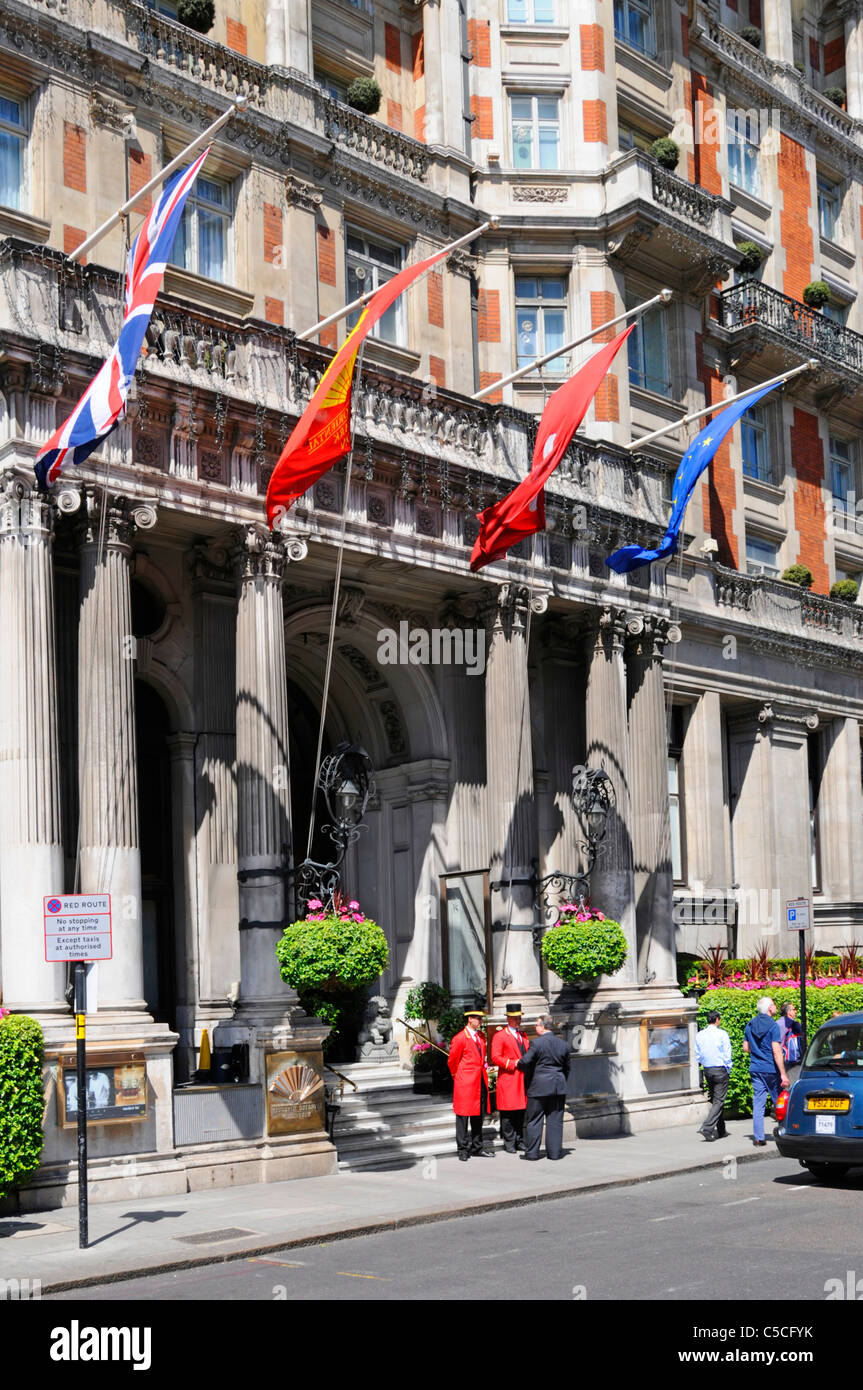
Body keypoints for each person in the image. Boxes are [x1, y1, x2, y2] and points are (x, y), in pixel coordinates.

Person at [516, 1013, 570, 1161]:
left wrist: (518, 1065)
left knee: (534, 1120)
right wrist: (560, 1080)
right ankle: (554, 1153)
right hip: (558, 1086)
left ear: (543, 1027)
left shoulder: (537, 1043)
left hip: (539, 1087)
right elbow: (567, 1068)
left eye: (537, 1024)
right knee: (555, 1121)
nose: (535, 1027)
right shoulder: (563, 1044)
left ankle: (532, 1153)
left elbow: (525, 1061)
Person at [743, 997, 790, 1147]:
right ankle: (786, 1132)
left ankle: (758, 1138)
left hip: (756, 1068)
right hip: (770, 1069)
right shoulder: (773, 1026)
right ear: (770, 1008)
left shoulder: (750, 1025)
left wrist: (757, 1053)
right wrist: (783, 1073)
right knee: (779, 1101)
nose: (776, 1007)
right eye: (774, 1005)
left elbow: (746, 1048)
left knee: (758, 1103)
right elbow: (777, 1051)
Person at [448, 1008, 493, 1161]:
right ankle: (462, 1149)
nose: (480, 1022)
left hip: (479, 1080)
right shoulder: (460, 1038)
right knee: (462, 1116)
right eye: (478, 1019)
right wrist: (458, 1076)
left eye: (481, 1019)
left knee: (478, 1116)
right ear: (470, 1020)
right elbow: (452, 1061)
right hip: (465, 1082)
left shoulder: (481, 1036)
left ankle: (477, 1147)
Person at [490, 1003, 529, 1153]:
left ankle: (519, 1139)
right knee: (508, 1113)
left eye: (519, 1018)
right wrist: (512, 1063)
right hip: (509, 1078)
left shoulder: (523, 1035)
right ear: (508, 1019)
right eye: (515, 1018)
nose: (518, 1020)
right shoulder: (500, 1036)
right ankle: (509, 1141)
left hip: (521, 1079)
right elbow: (495, 1057)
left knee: (520, 1112)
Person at [694, 1009, 732, 1142]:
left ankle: (721, 1129)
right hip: (720, 1069)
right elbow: (727, 1054)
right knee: (719, 1100)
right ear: (717, 1020)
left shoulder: (700, 1035)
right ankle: (707, 1127)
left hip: (707, 1069)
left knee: (716, 1099)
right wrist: (728, 1067)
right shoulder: (722, 1034)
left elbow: (697, 1054)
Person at [779, 1001, 802, 1075]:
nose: (796, 1011)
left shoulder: (777, 1023)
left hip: (783, 1058)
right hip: (793, 1060)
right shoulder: (794, 1024)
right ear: (789, 1012)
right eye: (794, 1009)